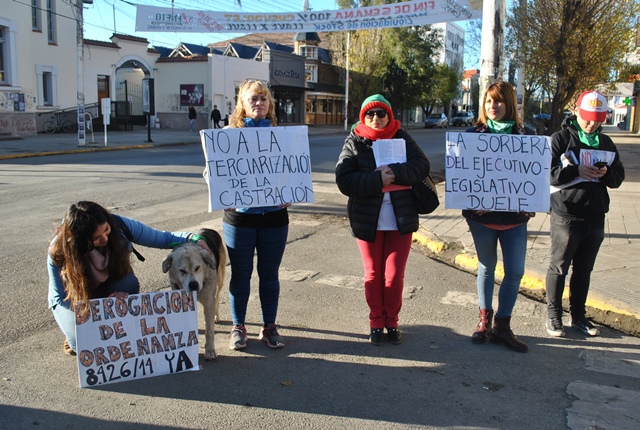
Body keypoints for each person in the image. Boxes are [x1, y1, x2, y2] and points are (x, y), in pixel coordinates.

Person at [47, 201, 210, 356]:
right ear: (80, 239)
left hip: (110, 288)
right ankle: (73, 335)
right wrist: (101, 306)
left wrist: (193, 238)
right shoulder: (59, 250)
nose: (104, 238)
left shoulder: (119, 225)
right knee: (82, 345)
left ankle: (119, 324)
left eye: (106, 230)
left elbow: (162, 238)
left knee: (128, 284)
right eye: (96, 238)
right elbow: (62, 298)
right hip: (74, 299)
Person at [335, 94, 429, 346]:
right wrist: (377, 180)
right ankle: (376, 321)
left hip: (401, 218)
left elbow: (422, 167)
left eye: (381, 113)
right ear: (362, 116)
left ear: (389, 115)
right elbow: (344, 179)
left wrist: (394, 173)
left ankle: (392, 321)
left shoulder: (402, 137)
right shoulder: (355, 141)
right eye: (370, 114)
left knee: (394, 275)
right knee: (373, 274)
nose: (375, 118)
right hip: (368, 219)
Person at [463, 81, 536, 353]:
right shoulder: (471, 136)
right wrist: (473, 202)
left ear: (510, 104)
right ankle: (485, 322)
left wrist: (528, 204)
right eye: (488, 102)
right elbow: (463, 179)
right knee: (486, 268)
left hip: (514, 220)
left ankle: (502, 327)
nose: (493, 107)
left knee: (515, 270)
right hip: (481, 219)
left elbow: (535, 178)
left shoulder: (527, 137)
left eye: (499, 101)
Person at [545, 90, 625, 337]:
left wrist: (606, 173)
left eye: (597, 119)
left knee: (584, 270)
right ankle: (553, 316)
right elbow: (549, 174)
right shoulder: (560, 139)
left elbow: (618, 177)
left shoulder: (606, 143)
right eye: (588, 117)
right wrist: (577, 169)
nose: (592, 124)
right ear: (577, 111)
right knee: (560, 267)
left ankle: (578, 316)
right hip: (566, 214)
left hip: (595, 215)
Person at [223, 80, 289, 350]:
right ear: (243, 103)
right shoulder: (227, 135)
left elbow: (291, 170)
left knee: (269, 275)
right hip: (240, 218)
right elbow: (212, 171)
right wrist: (219, 191)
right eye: (253, 98)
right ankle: (238, 326)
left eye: (264, 98)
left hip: (274, 218)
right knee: (240, 274)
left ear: (270, 103)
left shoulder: (283, 136)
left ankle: (269, 326)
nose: (259, 102)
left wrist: (290, 193)